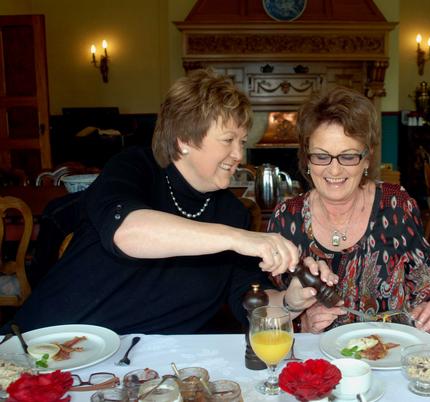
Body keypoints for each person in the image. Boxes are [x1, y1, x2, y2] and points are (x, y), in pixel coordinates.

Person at [6, 69, 335, 334]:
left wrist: (291, 302)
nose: (239, 155)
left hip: (149, 372)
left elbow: (250, 305)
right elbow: (126, 233)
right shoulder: (135, 168)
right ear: (185, 139)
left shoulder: (231, 213)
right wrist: (239, 239)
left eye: (242, 141)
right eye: (228, 141)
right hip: (47, 345)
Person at [268, 87, 430, 336]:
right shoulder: (286, 217)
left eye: (348, 157)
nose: (334, 171)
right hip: (319, 362)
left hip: (392, 351)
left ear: (366, 159)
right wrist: (299, 321)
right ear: (306, 159)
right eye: (322, 157)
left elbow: (426, 274)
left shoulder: (396, 204)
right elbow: (266, 300)